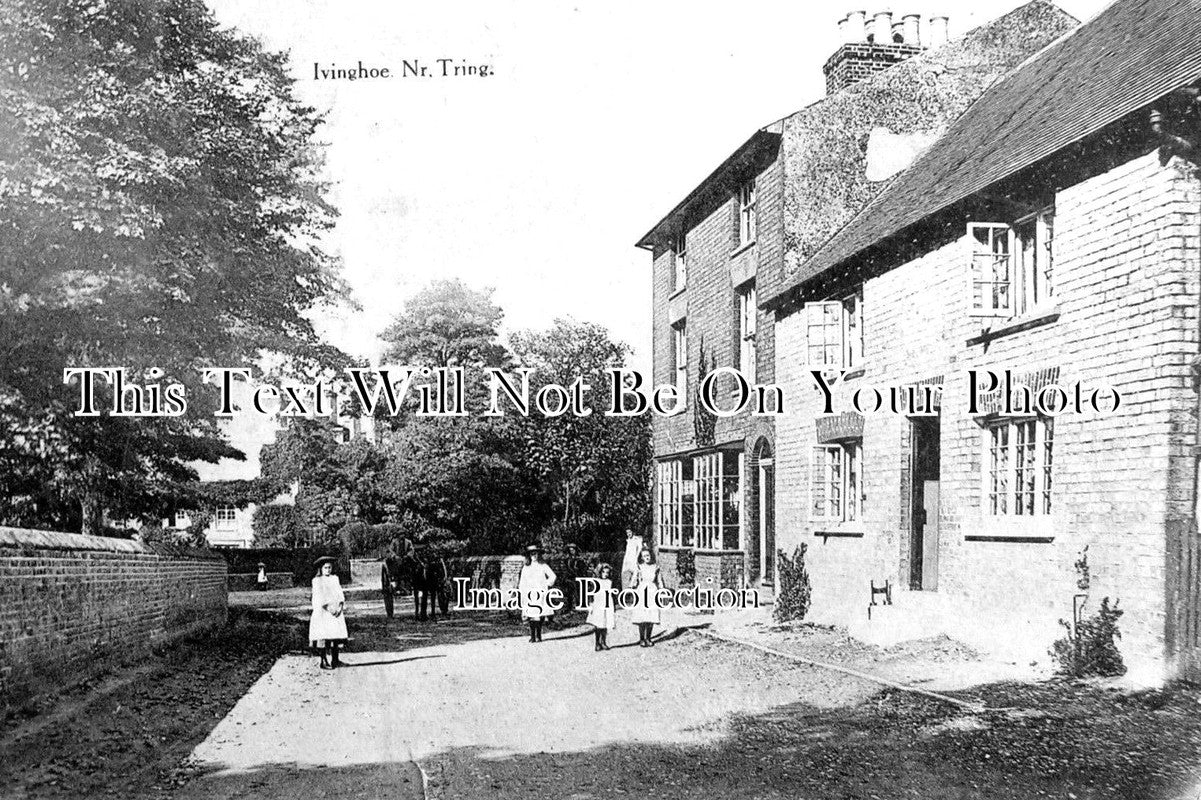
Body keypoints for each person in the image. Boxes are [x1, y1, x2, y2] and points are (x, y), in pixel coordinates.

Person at [309, 556, 348, 669]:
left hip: (335, 611)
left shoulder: (335, 579)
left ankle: (335, 660)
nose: (328, 570)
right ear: (321, 568)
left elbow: (339, 593)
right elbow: (319, 597)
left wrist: (340, 606)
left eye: (330, 567)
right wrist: (328, 608)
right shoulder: (317, 581)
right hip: (324, 612)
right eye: (326, 567)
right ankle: (323, 660)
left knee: (335, 636)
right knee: (324, 636)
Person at [517, 544, 556, 643]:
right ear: (529, 555)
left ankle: (539, 634)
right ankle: (532, 636)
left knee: (540, 614)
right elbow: (522, 582)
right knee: (531, 615)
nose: (534, 556)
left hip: (541, 593)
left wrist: (546, 583)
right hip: (530, 594)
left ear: (539, 554)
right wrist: (523, 592)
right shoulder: (526, 568)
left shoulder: (543, 566)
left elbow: (553, 576)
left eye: (536, 554)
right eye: (532, 554)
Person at [630, 547, 662, 647]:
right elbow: (634, 579)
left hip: (653, 591)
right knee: (642, 616)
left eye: (647, 555)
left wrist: (662, 590)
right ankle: (641, 639)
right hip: (642, 591)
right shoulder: (639, 567)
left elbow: (659, 580)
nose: (646, 557)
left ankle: (648, 638)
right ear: (641, 557)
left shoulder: (655, 567)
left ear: (651, 556)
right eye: (644, 556)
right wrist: (631, 588)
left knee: (651, 616)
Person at [585, 562, 616, 651]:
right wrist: (591, 604)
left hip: (607, 603)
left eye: (607, 573)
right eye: (603, 572)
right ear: (599, 572)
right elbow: (591, 593)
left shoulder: (610, 582)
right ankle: (597, 643)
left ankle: (603, 642)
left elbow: (612, 594)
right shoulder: (596, 582)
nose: (605, 574)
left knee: (605, 624)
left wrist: (613, 606)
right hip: (598, 604)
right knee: (598, 624)